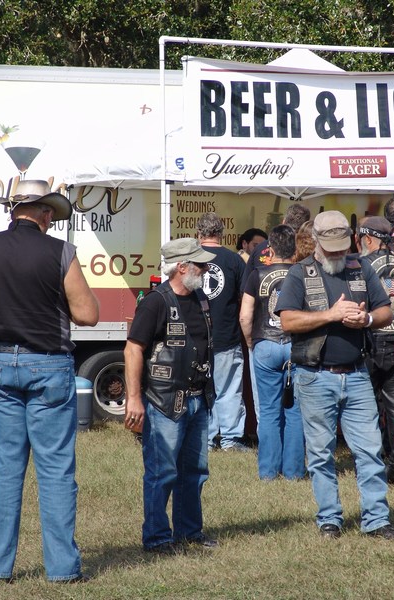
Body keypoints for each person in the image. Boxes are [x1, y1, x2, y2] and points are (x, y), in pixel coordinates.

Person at [0, 180, 99, 583]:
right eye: (52, 214)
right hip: (47, 364)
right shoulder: (60, 252)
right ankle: (63, 570)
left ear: (12, 210)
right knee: (55, 470)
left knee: (4, 469)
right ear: (45, 213)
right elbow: (87, 315)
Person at [275, 210, 394, 540]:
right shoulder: (299, 274)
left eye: (342, 247)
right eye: (331, 249)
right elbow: (287, 321)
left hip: (357, 373)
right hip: (315, 376)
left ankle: (376, 520)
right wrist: (330, 315)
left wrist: (367, 320)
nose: (338, 254)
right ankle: (329, 519)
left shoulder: (361, 268)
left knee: (370, 450)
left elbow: (386, 310)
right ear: (316, 242)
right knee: (321, 454)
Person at [124, 237, 218, 555]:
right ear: (182, 267)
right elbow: (133, 349)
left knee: (194, 471)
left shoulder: (201, 298)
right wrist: (134, 398)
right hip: (164, 401)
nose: (206, 269)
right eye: (200, 265)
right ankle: (157, 538)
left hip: (198, 398)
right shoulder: (155, 302)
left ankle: (189, 532)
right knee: (162, 472)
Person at [239, 225, 306, 480]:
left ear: (271, 249)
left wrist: (251, 342)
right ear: (294, 247)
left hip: (265, 343)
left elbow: (245, 316)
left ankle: (268, 472)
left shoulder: (256, 274)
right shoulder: (303, 273)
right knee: (295, 411)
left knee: (268, 412)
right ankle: (294, 471)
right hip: (296, 345)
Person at [357, 216, 394, 485]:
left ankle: (372, 461)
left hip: (370, 341)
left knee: (365, 408)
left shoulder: (362, 265)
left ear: (368, 239)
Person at [197, 212, 249, 451]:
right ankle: (230, 440)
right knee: (229, 390)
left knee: (199, 391)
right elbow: (244, 297)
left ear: (199, 233)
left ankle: (205, 440)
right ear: (221, 233)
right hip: (226, 335)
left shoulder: (191, 258)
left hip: (196, 337)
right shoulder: (234, 260)